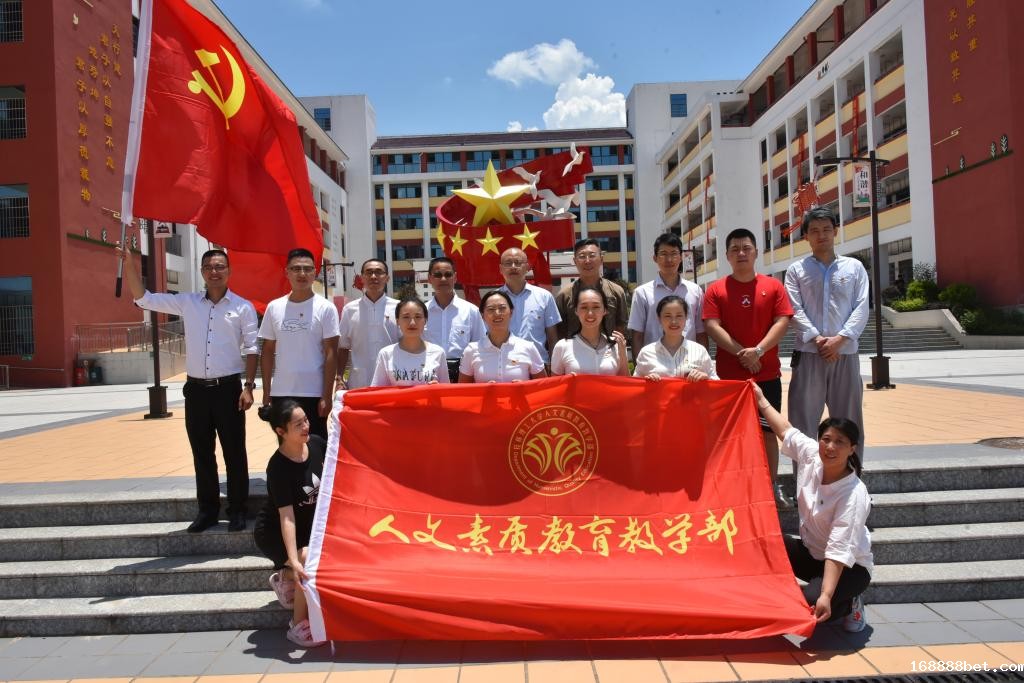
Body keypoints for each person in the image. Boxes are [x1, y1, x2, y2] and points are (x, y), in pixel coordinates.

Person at [118, 244, 257, 533]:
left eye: (220, 267)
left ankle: (238, 510)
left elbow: (253, 349)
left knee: (234, 452)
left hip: (229, 390)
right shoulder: (187, 302)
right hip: (196, 391)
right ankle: (207, 511)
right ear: (202, 272)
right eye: (209, 267)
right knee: (202, 453)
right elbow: (144, 298)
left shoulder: (242, 307)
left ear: (229, 271)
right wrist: (129, 263)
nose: (214, 271)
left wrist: (248, 387)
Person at [752, 382, 872, 633]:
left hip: (849, 569)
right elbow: (785, 430)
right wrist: (761, 399)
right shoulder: (811, 456)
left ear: (852, 449)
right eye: (826, 439)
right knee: (764, 542)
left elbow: (839, 550)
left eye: (839, 442)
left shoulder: (853, 494)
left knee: (812, 605)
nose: (830, 447)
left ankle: (849, 603)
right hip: (812, 554)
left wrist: (826, 595)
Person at [703, 228, 794, 506]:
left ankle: (772, 485)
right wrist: (743, 353)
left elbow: (782, 321)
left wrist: (759, 351)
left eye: (746, 248)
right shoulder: (716, 289)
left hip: (766, 375)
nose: (741, 253)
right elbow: (712, 326)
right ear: (727, 255)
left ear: (756, 252)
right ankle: (732, 487)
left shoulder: (773, 286)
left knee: (768, 432)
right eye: (735, 249)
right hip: (729, 378)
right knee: (730, 436)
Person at [785, 207, 869, 455]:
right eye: (814, 231)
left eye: (826, 229)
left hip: (845, 354)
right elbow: (793, 308)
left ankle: (851, 475)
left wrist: (840, 340)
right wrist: (818, 339)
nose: (821, 235)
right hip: (809, 354)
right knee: (802, 423)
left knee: (849, 422)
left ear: (835, 232)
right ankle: (805, 477)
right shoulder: (796, 270)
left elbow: (862, 306)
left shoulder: (854, 268)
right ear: (806, 236)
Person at [253, 400, 328, 648]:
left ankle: (284, 578)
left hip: (308, 526)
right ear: (281, 431)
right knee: (307, 560)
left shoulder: (316, 444)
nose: (306, 426)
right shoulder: (277, 467)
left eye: (306, 420)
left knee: (312, 557)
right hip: (275, 532)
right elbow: (287, 517)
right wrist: (294, 560)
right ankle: (297, 626)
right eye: (298, 424)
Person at [259, 248, 339, 441]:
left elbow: (331, 353)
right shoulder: (274, 307)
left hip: (314, 393)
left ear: (315, 273)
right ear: (286, 272)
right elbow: (267, 351)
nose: (302, 274)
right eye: (296, 269)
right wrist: (267, 391)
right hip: (282, 393)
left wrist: (326, 395)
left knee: (316, 445)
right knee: (286, 446)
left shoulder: (326, 308)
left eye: (307, 269)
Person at [629, 233, 708, 354]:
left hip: (689, 360)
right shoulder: (642, 293)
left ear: (681, 257)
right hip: (654, 361)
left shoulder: (695, 291)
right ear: (655, 258)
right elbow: (637, 335)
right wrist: (640, 364)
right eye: (663, 254)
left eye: (674, 254)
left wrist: (702, 361)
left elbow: (701, 332)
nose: (669, 259)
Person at [337, 259, 399, 390]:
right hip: (359, 382)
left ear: (387, 278)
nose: (373, 276)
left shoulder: (399, 308)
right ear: (362, 278)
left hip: (393, 381)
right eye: (369, 272)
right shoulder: (349, 309)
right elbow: (343, 347)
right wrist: (339, 377)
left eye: (379, 272)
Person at [421, 257, 486, 383]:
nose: (443, 279)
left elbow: (480, 347)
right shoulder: (421, 312)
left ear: (455, 277)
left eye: (448, 274)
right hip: (428, 375)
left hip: (463, 375)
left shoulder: (471, 311)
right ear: (429, 278)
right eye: (437, 275)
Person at [459, 290, 546, 383]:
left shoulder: (528, 348)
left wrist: (524, 387)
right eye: (491, 309)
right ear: (482, 315)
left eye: (502, 308)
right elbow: (462, 389)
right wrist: (484, 389)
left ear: (511, 312)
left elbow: (544, 386)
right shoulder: (471, 350)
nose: (497, 313)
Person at [497, 247, 561, 367]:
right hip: (503, 366)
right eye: (508, 263)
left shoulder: (544, 296)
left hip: (538, 365)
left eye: (518, 262)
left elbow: (552, 337)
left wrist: (554, 366)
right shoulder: (494, 299)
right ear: (501, 269)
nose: (513, 267)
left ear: (527, 267)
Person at [554, 238, 628, 340]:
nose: (587, 261)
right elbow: (559, 330)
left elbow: (621, 325)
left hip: (608, 348)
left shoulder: (616, 291)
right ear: (575, 261)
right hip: (574, 348)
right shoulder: (564, 295)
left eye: (592, 256)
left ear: (601, 259)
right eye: (582, 256)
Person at [633, 295, 716, 382]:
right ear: (659, 319)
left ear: (686, 317)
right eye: (668, 316)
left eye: (679, 316)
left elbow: (716, 383)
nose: (674, 321)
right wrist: (647, 381)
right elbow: (635, 385)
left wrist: (706, 378)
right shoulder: (646, 352)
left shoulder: (699, 351)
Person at [550, 286, 628, 376]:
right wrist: (569, 381)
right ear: (576, 310)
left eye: (596, 307)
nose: (590, 313)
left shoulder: (617, 345)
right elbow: (555, 383)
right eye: (584, 307)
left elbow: (626, 382)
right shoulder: (563, 346)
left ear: (605, 310)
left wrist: (623, 356)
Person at [372, 297, 450, 387]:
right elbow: (377, 391)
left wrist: (438, 387)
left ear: (425, 321)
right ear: (397, 321)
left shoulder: (438, 353)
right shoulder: (385, 354)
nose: (412, 323)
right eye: (406, 317)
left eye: (418, 317)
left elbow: (446, 391)